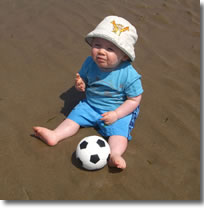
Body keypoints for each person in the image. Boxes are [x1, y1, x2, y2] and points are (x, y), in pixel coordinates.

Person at [33, 16, 143, 169]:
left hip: (117, 109)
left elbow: (134, 100)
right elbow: (83, 78)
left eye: (110, 49)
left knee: (119, 133)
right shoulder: (89, 63)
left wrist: (117, 114)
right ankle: (55, 135)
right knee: (73, 118)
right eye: (97, 45)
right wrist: (80, 84)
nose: (101, 52)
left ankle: (115, 154)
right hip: (90, 105)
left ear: (124, 55)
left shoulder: (128, 74)